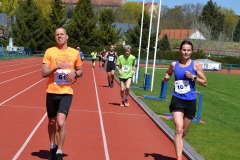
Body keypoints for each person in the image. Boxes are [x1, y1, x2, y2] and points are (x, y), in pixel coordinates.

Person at [42, 27, 83, 160]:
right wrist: (55, 67)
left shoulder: (74, 53)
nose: (59, 36)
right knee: (52, 122)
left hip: (66, 92)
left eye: (62, 34)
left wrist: (75, 73)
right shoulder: (50, 51)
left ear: (67, 37)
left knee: (61, 122)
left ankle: (59, 151)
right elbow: (43, 73)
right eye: (57, 35)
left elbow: (80, 70)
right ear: (55, 38)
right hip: (51, 91)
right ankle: (52, 145)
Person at [163, 40, 207, 160]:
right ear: (180, 50)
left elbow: (205, 83)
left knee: (184, 132)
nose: (186, 52)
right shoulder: (174, 64)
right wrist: (167, 77)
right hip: (177, 98)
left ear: (191, 52)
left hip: (190, 100)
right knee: (178, 128)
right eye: (184, 50)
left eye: (188, 50)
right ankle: (179, 157)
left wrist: (193, 77)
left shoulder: (195, 65)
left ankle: (178, 143)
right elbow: (168, 73)